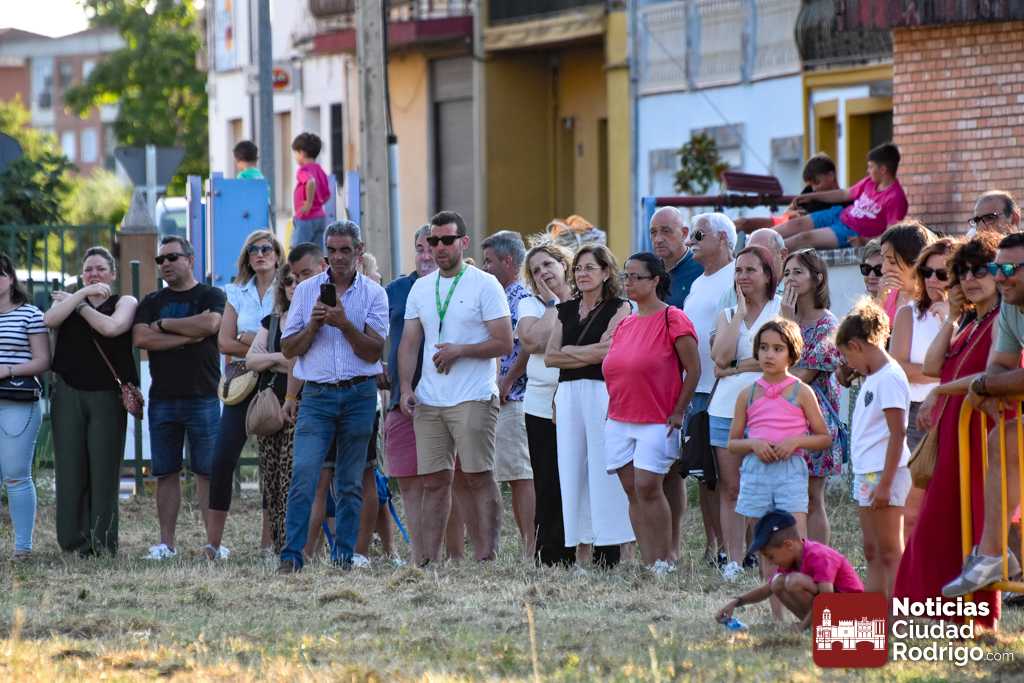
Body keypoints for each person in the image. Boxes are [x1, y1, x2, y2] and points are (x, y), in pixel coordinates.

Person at [894, 234, 1001, 628]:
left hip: (982, 434)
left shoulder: (1003, 320)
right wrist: (954, 315)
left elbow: (992, 377)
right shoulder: (973, 322)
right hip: (954, 434)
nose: (970, 279)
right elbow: (933, 365)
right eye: (963, 272)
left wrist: (940, 391)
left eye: (980, 270)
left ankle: (976, 618)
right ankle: (931, 611)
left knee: (971, 524)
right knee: (937, 525)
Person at [398, 210, 513, 566]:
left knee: (478, 477)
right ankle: (428, 561)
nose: (439, 247)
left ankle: (486, 557)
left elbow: (504, 342)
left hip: (473, 395)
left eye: (447, 240)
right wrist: (405, 387)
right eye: (433, 241)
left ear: (463, 242)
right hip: (429, 399)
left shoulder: (485, 284)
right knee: (433, 481)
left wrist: (460, 351)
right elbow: (409, 343)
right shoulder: (421, 287)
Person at [276, 220, 388, 573]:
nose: (338, 257)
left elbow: (373, 351)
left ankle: (343, 558)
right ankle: (291, 557)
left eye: (345, 250)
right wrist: (313, 326)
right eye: (332, 250)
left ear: (359, 251)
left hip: (359, 393)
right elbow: (288, 348)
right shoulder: (307, 290)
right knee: (304, 476)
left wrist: (343, 324)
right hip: (318, 395)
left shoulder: (374, 294)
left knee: (350, 482)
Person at [603, 252, 700, 571]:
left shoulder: (674, 318)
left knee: (648, 486)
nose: (628, 282)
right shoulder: (626, 323)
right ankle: (648, 560)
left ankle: (665, 558)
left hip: (658, 418)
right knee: (632, 490)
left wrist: (679, 411)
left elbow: (693, 369)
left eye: (636, 276)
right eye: (625, 276)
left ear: (655, 280)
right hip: (619, 417)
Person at [728, 319, 832, 614]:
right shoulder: (747, 393)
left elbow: (824, 437)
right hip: (756, 473)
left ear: (792, 353)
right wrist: (754, 444)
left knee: (796, 542)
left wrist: (795, 441)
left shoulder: (801, 391)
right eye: (763, 348)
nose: (769, 355)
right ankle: (777, 616)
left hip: (790, 472)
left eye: (777, 349)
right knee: (766, 545)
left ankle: (807, 611)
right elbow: (733, 442)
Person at [133, 236, 226, 560]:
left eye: (172, 257)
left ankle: (213, 545)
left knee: (207, 472)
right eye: (160, 260)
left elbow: (211, 323)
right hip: (163, 398)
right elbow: (142, 338)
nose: (165, 264)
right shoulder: (152, 300)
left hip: (203, 396)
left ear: (190, 259)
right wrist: (188, 337)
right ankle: (166, 544)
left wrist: (164, 325)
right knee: (165, 472)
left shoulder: (211, 295)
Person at [943, 232, 1024, 598]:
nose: (1000, 277)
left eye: (1009, 269)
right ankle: (992, 554)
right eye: (996, 269)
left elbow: (993, 379)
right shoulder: (1011, 307)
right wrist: (990, 387)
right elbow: (1000, 365)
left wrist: (987, 386)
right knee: (1003, 437)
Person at [545, 244, 635, 567]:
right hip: (568, 393)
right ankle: (581, 552)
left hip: (602, 391)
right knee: (572, 470)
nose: (583, 274)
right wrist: (588, 352)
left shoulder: (620, 307)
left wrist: (570, 352)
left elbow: (609, 351)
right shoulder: (565, 310)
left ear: (606, 272)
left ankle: (624, 551)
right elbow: (550, 356)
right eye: (579, 268)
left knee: (606, 468)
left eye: (590, 268)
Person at [45, 246, 138, 556]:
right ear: (81, 274)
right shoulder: (69, 301)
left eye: (100, 269)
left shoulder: (124, 302)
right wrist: (80, 295)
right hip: (68, 393)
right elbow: (49, 319)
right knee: (70, 469)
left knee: (104, 471)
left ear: (112, 273)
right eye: (88, 269)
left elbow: (111, 328)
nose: (94, 274)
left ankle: (103, 542)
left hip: (107, 397)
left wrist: (79, 303)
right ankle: (74, 542)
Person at [206, 229, 282, 559]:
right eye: (253, 250)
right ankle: (213, 543)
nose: (260, 254)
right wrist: (261, 345)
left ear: (277, 255)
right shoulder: (236, 292)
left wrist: (250, 339)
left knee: (271, 462)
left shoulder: (287, 289)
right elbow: (224, 342)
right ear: (247, 258)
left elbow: (288, 341)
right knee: (222, 458)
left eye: (266, 248)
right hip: (241, 381)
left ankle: (268, 543)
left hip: (276, 380)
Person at [710, 245, 782, 580]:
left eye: (750, 270)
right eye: (738, 270)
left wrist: (737, 367)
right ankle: (734, 560)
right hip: (725, 410)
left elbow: (780, 358)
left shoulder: (781, 310)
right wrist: (738, 313)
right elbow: (719, 359)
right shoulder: (728, 314)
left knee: (765, 487)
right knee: (731, 488)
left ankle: (769, 557)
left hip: (770, 408)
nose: (742, 276)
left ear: (767, 275)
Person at [836, 298, 912, 597]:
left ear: (856, 345)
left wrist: (886, 484)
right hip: (867, 472)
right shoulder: (872, 377)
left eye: (847, 356)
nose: (848, 364)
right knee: (872, 550)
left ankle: (899, 613)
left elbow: (898, 433)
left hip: (885, 472)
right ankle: (875, 610)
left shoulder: (890, 377)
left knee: (891, 550)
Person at [682, 212, 737, 568]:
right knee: (704, 473)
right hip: (698, 388)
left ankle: (737, 546)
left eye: (699, 235)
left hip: (725, 386)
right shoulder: (698, 281)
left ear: (723, 238)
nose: (691, 241)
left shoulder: (736, 277)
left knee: (730, 474)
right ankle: (713, 544)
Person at [780, 249, 844, 545]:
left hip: (816, 420)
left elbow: (798, 377)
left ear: (817, 278)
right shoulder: (784, 317)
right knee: (786, 496)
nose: (791, 279)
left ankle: (818, 557)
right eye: (787, 273)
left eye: (798, 272)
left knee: (811, 496)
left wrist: (788, 326)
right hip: (782, 416)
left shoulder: (828, 325)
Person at [649, 207, 703, 555]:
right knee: (663, 467)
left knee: (683, 467)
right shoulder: (649, 272)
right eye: (653, 232)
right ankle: (663, 547)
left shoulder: (698, 270)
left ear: (685, 233)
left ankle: (679, 543)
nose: (658, 239)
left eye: (666, 231)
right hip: (654, 384)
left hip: (692, 381)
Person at [518, 242, 575, 566]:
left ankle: (583, 548)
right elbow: (533, 341)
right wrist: (555, 304)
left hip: (578, 397)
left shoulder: (587, 298)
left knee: (577, 476)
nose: (543, 273)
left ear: (563, 264)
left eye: (548, 265)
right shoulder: (530, 303)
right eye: (536, 270)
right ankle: (550, 553)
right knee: (548, 479)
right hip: (540, 405)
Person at [715, 511, 863, 631]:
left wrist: (801, 627)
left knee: (793, 581)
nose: (770, 562)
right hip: (832, 613)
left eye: (771, 556)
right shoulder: (791, 559)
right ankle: (815, 626)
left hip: (854, 615)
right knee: (777, 582)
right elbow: (767, 589)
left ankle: (811, 627)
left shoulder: (819, 556)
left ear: (788, 545)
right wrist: (736, 602)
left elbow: (827, 597)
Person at [482, 230, 535, 559]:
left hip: (515, 398)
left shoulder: (520, 297)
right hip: (501, 397)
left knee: (520, 474)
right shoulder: (500, 295)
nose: (485, 267)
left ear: (508, 261)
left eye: (489, 261)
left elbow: (526, 345)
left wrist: (508, 379)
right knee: (510, 473)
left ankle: (531, 546)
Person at [245, 263, 297, 553]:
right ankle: (279, 544)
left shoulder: (313, 321)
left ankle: (298, 543)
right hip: (270, 407)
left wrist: (272, 358)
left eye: (298, 280)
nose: (293, 286)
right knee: (273, 480)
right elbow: (251, 361)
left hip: (301, 406)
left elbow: (304, 364)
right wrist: (281, 358)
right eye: (288, 281)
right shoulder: (273, 321)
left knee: (294, 478)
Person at [0, 253, 49, 560]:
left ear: (11, 278)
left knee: (16, 474)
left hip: (17, 403)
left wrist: (7, 370)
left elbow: (43, 360)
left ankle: (22, 548)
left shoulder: (30, 314)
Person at [774, 142, 909, 250]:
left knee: (804, 238)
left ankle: (767, 254)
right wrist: (813, 196)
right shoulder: (869, 182)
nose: (868, 171)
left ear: (883, 170)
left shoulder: (896, 198)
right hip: (839, 214)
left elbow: (891, 234)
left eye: (871, 167)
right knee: (797, 223)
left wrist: (866, 241)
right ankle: (761, 238)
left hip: (850, 232)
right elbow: (844, 194)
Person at [892, 238, 952, 451]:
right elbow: (899, 369)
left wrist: (949, 318)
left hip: (955, 408)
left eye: (942, 274)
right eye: (927, 272)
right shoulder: (908, 313)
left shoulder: (969, 316)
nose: (932, 280)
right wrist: (951, 372)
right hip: (916, 413)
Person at [734, 153, 842, 234]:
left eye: (817, 183)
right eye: (811, 185)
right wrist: (791, 213)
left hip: (797, 230)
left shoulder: (841, 201)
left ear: (831, 176)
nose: (814, 189)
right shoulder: (809, 191)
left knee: (760, 235)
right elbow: (788, 211)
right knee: (743, 223)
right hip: (784, 223)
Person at [879, 221, 936, 327]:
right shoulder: (886, 294)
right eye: (883, 260)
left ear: (916, 263)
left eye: (892, 262)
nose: (883, 270)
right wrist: (879, 301)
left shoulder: (934, 301)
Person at [290, 132, 331, 248]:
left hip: (305, 217)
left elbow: (310, 181)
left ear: (302, 153)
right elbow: (327, 195)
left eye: (296, 153)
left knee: (299, 250)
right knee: (316, 251)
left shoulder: (303, 170)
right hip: (320, 217)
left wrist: (308, 203)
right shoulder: (320, 171)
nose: (295, 157)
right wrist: (317, 204)